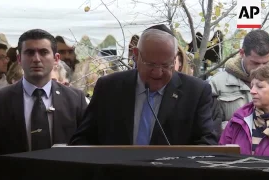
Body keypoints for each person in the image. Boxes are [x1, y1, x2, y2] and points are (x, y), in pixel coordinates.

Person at [69, 24, 217, 145]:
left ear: (174, 59)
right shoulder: (109, 88)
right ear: (136, 55)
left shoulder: (196, 92)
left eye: (166, 65)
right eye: (150, 64)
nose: (158, 73)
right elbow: (82, 140)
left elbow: (207, 144)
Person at [0, 29, 88, 169]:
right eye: (29, 52)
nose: (36, 59)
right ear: (19, 59)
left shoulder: (76, 99)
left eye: (44, 52)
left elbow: (86, 146)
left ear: (56, 59)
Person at [209, 30, 269, 130]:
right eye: (255, 63)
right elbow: (211, 127)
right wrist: (240, 128)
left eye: (266, 62)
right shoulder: (217, 84)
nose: (261, 68)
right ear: (241, 53)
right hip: (234, 143)